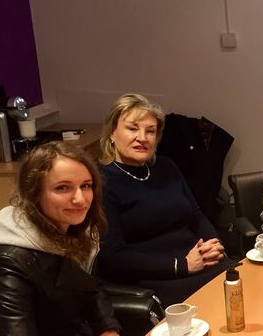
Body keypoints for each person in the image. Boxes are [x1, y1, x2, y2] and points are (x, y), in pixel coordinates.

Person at [0, 141, 128, 336]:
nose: (80, 199)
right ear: (34, 193)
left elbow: (93, 287)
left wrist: (108, 330)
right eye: (62, 188)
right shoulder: (9, 260)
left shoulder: (79, 229)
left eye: (86, 186)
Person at [97, 93, 228, 307]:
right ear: (112, 132)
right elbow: (114, 257)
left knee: (251, 285)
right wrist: (182, 265)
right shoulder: (102, 182)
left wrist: (214, 244)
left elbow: (196, 215)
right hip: (157, 278)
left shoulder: (166, 166)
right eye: (132, 128)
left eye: (150, 131)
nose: (142, 137)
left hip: (199, 260)